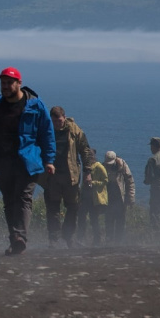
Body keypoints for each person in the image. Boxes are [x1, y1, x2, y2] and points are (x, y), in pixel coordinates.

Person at [0, 66, 56, 255]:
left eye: (9, 83)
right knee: (9, 200)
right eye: (3, 83)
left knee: (23, 197)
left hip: (28, 160)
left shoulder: (35, 105)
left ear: (19, 83)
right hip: (3, 160)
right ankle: (15, 240)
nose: (5, 86)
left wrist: (49, 160)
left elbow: (47, 132)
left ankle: (20, 236)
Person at [42, 106, 96, 248]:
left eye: (59, 121)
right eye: (54, 121)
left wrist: (88, 171)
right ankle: (54, 239)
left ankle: (68, 236)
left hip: (71, 176)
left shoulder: (74, 130)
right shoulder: (46, 130)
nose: (57, 124)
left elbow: (85, 150)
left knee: (73, 207)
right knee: (52, 207)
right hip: (52, 176)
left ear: (64, 118)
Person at [103, 150, 135, 244]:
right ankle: (109, 241)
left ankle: (118, 242)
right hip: (108, 198)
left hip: (121, 198)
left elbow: (130, 182)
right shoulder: (103, 166)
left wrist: (131, 198)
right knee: (108, 220)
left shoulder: (123, 166)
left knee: (120, 221)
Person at [86, 150, 109, 246]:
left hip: (97, 197)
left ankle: (97, 239)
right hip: (89, 197)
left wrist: (93, 183)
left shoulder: (99, 166)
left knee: (94, 218)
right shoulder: (87, 168)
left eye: (91, 156)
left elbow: (105, 180)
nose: (89, 158)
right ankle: (95, 239)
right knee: (92, 219)